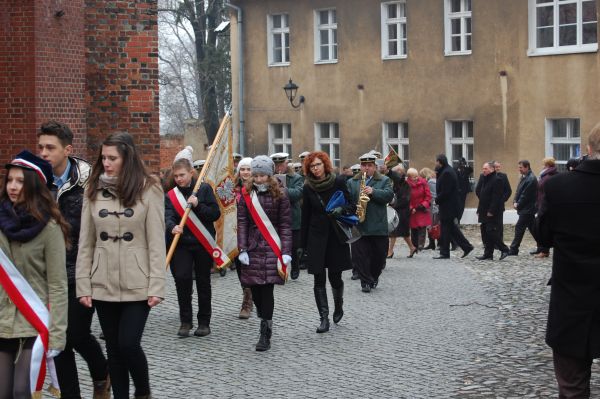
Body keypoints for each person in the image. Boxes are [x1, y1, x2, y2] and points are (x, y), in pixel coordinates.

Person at [76, 132, 166, 399]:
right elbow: (86, 242)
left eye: (112, 158)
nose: (106, 162)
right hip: (102, 280)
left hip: (138, 281)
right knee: (113, 349)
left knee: (129, 344)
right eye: (103, 157)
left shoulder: (149, 188)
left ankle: (143, 391)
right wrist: (84, 285)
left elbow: (156, 240)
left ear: (127, 157)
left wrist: (157, 285)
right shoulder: (92, 189)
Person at [37, 121, 110, 399]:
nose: (44, 153)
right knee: (58, 341)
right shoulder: (34, 181)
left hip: (82, 270)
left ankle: (102, 373)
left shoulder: (90, 180)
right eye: (41, 147)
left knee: (75, 335)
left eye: (50, 148)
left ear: (67, 149)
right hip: (46, 273)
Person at [535, 123, 600, 398]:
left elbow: (544, 236)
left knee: (572, 387)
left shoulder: (559, 186)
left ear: (588, 148)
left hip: (572, 299)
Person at [0, 151, 69, 398]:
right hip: (3, 317)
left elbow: (59, 284)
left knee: (22, 390)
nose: (13, 186)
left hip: (35, 320)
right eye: (10, 180)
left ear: (33, 185)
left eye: (20, 181)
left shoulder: (49, 227)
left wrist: (57, 336)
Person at [237, 155, 292, 351]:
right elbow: (242, 222)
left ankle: (265, 331)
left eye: (263, 176)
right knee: (256, 292)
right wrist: (242, 248)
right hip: (252, 247)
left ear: (270, 175)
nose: (259, 179)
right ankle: (262, 315)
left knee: (267, 290)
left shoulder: (281, 195)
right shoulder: (245, 195)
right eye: (256, 175)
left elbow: (285, 225)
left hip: (272, 246)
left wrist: (286, 251)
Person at [165, 147, 220, 337]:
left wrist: (198, 206)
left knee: (203, 282)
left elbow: (215, 213)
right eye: (176, 176)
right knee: (182, 279)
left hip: (202, 242)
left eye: (182, 175)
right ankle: (185, 321)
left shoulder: (203, 189)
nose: (179, 179)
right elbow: (168, 215)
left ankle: (204, 322)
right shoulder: (171, 195)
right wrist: (172, 226)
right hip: (181, 244)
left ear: (191, 173)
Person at [299, 151, 356, 333]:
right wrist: (301, 244)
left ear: (325, 165)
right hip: (316, 236)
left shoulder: (338, 181)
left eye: (318, 165)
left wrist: (341, 209)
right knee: (318, 278)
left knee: (335, 276)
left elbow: (351, 205)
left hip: (335, 235)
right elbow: (305, 216)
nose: (315, 169)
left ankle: (338, 305)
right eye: (312, 166)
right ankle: (323, 318)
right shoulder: (308, 187)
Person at [347, 153, 394, 292]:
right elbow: (348, 200)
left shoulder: (384, 180)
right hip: (359, 225)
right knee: (360, 257)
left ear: (375, 167)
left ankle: (373, 276)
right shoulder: (352, 182)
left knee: (379, 256)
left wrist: (373, 191)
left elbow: (389, 196)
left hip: (377, 225)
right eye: (364, 165)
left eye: (369, 165)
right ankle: (365, 282)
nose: (366, 168)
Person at [433, 154, 474, 259]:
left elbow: (446, 191)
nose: (435, 164)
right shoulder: (446, 171)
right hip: (447, 205)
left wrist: (437, 199)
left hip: (449, 206)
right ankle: (465, 247)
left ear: (440, 162)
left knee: (447, 228)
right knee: (450, 229)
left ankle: (446, 252)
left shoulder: (447, 173)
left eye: (436, 162)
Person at [271, 152, 304, 280]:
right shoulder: (269, 176)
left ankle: (295, 265)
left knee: (294, 246)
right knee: (277, 244)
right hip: (275, 217)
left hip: (292, 217)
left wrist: (282, 189)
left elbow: (297, 194)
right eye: (276, 164)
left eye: (282, 164)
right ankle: (279, 269)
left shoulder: (295, 177)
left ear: (286, 163)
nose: (279, 167)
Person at [475, 162, 510, 261]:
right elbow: (481, 195)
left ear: (491, 169)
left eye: (485, 169)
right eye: (483, 168)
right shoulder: (485, 178)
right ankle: (488, 254)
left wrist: (491, 210)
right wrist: (479, 209)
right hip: (484, 209)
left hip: (493, 211)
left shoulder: (497, 180)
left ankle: (505, 249)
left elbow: (496, 198)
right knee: (485, 232)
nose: (483, 170)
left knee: (491, 231)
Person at [234, 157, 254, 319]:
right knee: (240, 267)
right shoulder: (232, 189)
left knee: (250, 267)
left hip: (253, 233)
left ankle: (250, 300)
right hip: (236, 233)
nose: (245, 172)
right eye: (243, 169)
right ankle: (247, 295)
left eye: (248, 169)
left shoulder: (257, 188)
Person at [508, 160, 538, 256]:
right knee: (533, 229)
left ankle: (513, 249)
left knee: (519, 228)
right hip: (526, 208)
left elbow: (526, 195)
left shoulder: (531, 179)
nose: (519, 169)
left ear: (527, 167)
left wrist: (518, 204)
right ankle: (543, 247)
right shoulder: (525, 177)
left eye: (520, 167)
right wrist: (515, 201)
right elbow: (518, 191)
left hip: (527, 208)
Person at [531, 157, 559, 258]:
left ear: (547, 165)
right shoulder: (545, 175)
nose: (542, 165)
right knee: (542, 228)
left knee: (543, 228)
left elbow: (544, 193)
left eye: (543, 164)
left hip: (545, 206)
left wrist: (541, 206)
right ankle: (543, 249)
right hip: (542, 204)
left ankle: (544, 250)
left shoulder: (548, 176)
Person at [388, 164, 414, 258]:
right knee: (402, 233)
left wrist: (393, 204)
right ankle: (412, 247)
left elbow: (405, 199)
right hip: (397, 210)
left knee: (396, 232)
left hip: (402, 211)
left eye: (396, 171)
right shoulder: (395, 183)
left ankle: (390, 251)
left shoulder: (405, 184)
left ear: (401, 172)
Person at [406, 168, 432, 256]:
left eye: (417, 176)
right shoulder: (406, 185)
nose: (417, 178)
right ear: (409, 177)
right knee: (413, 229)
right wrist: (411, 208)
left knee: (422, 227)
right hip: (413, 210)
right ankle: (414, 246)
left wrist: (423, 205)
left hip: (422, 209)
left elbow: (428, 196)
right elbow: (406, 198)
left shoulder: (423, 183)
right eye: (414, 177)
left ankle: (421, 244)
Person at [420, 167, 438, 250]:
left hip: (432, 205)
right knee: (429, 225)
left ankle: (435, 243)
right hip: (430, 205)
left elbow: (434, 195)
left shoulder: (431, 182)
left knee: (432, 225)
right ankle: (432, 243)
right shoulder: (430, 181)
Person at [454, 157, 473, 221]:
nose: (462, 165)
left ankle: (459, 218)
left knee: (462, 206)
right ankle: (457, 219)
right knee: (457, 205)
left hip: (464, 190)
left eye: (463, 163)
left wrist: (467, 165)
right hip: (457, 190)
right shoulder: (455, 169)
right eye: (461, 163)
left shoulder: (466, 169)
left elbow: (471, 170)